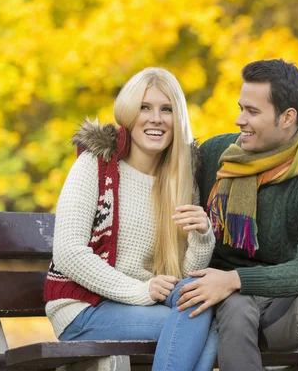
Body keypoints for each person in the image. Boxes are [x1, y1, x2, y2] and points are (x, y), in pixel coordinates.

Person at [43, 67, 218, 371]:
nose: (156, 119)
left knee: (200, 308)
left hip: (143, 304)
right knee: (194, 318)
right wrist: (141, 291)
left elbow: (185, 275)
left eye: (167, 110)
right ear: (128, 112)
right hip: (84, 306)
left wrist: (202, 237)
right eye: (144, 108)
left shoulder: (180, 181)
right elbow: (68, 253)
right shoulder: (97, 165)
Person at [177, 59, 298, 371]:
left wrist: (236, 279)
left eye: (252, 112)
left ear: (287, 118)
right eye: (241, 107)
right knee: (238, 305)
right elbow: (159, 166)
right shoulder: (217, 153)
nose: (240, 119)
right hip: (223, 309)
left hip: (282, 310)